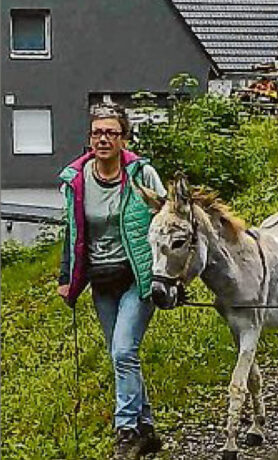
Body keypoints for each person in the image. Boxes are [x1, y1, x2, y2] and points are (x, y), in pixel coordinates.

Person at [57, 103, 167, 460]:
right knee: (124, 356)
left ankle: (125, 431)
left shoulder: (141, 174)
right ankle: (146, 428)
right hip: (100, 279)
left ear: (124, 138)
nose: (103, 139)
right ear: (89, 139)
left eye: (111, 133)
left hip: (138, 276)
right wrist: (65, 276)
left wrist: (173, 274)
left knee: (122, 350)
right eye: (97, 133)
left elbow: (169, 221)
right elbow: (71, 232)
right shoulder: (75, 179)